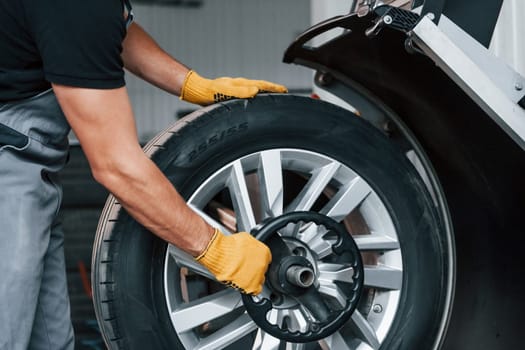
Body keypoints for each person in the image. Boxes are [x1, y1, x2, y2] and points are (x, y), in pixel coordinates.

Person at [0, 0, 287, 348]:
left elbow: (113, 29)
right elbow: (116, 167)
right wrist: (215, 249)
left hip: (27, 165)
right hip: (9, 162)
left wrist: (190, 83)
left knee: (47, 341)